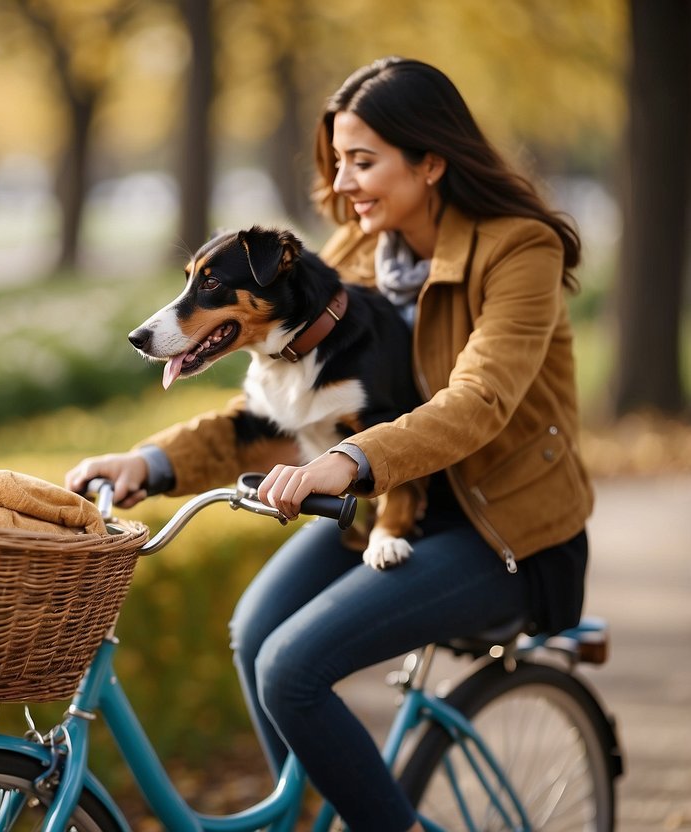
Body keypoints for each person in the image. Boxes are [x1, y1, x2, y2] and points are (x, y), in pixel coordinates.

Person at [65, 56, 593, 831]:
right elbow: (268, 412)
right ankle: (316, 812)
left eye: (363, 161)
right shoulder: (347, 255)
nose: (341, 183)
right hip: (380, 506)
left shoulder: (518, 250)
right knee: (253, 633)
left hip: (498, 527)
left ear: (430, 161)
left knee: (292, 667)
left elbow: (478, 402)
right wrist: (149, 462)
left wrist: (350, 458)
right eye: (337, 161)